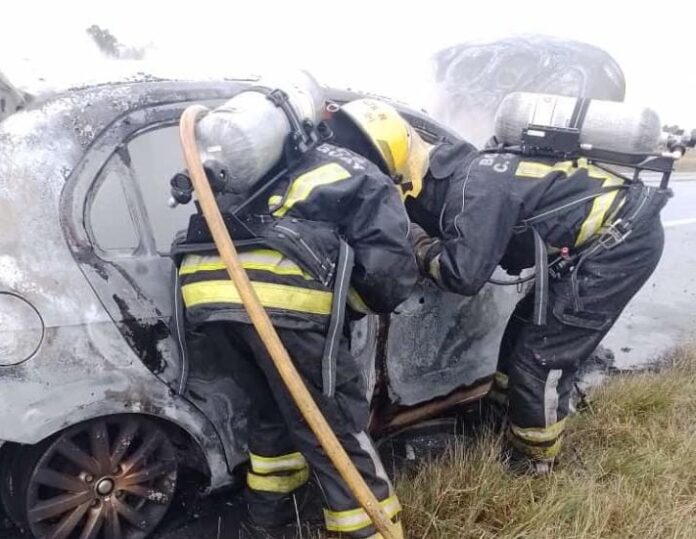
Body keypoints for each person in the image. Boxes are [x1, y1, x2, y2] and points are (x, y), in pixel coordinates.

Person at [329, 98, 668, 474]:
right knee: (518, 339)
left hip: (622, 243)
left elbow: (462, 275)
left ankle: (534, 465)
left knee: (540, 360)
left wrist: (413, 238)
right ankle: (494, 428)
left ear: (408, 184)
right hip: (599, 241)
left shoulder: (476, 190)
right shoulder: (471, 172)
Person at [172, 107, 416, 536]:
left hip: (205, 296)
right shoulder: (366, 176)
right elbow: (388, 276)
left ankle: (265, 524)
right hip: (281, 303)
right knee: (334, 426)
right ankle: (371, 529)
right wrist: (348, 305)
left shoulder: (276, 162)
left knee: (274, 412)